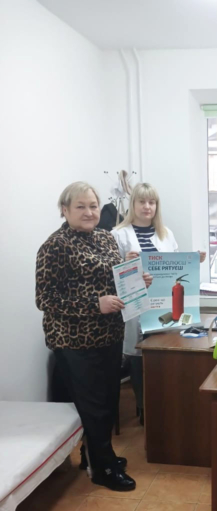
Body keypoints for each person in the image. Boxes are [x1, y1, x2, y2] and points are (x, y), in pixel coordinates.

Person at [35, 182, 150, 491]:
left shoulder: (105, 237)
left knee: (109, 399)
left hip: (109, 334)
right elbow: (45, 299)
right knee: (94, 406)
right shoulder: (55, 246)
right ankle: (103, 468)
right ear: (65, 210)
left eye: (93, 206)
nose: (89, 212)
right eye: (80, 206)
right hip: (74, 341)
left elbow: (113, 281)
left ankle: (95, 455)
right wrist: (92, 304)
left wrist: (136, 281)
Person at [112, 182, 206, 421]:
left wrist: (193, 260)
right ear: (132, 204)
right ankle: (145, 410)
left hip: (164, 305)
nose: (147, 206)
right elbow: (110, 275)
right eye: (142, 201)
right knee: (138, 358)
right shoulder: (118, 235)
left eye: (152, 202)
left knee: (163, 355)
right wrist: (123, 261)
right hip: (137, 306)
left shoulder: (166, 233)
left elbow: (175, 267)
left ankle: (164, 407)